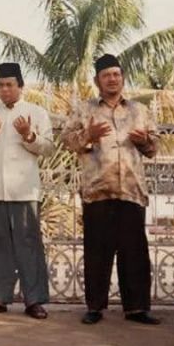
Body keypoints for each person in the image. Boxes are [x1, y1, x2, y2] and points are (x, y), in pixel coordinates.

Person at [62, 54, 160, 326]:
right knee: (97, 253)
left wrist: (145, 141)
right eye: (106, 75)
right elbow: (67, 141)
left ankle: (137, 308)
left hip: (131, 190)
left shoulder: (140, 111)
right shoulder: (84, 110)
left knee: (134, 253)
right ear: (97, 81)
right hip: (98, 190)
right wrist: (88, 136)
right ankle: (95, 307)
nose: (112, 79)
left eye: (116, 74)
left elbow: (154, 148)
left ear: (123, 78)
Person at [0, 63, 54, 319]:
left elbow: (48, 148)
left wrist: (29, 135)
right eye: (1, 85)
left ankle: (34, 300)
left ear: (21, 86)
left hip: (24, 189)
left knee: (29, 245)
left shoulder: (36, 112)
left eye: (10, 85)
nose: (5, 89)